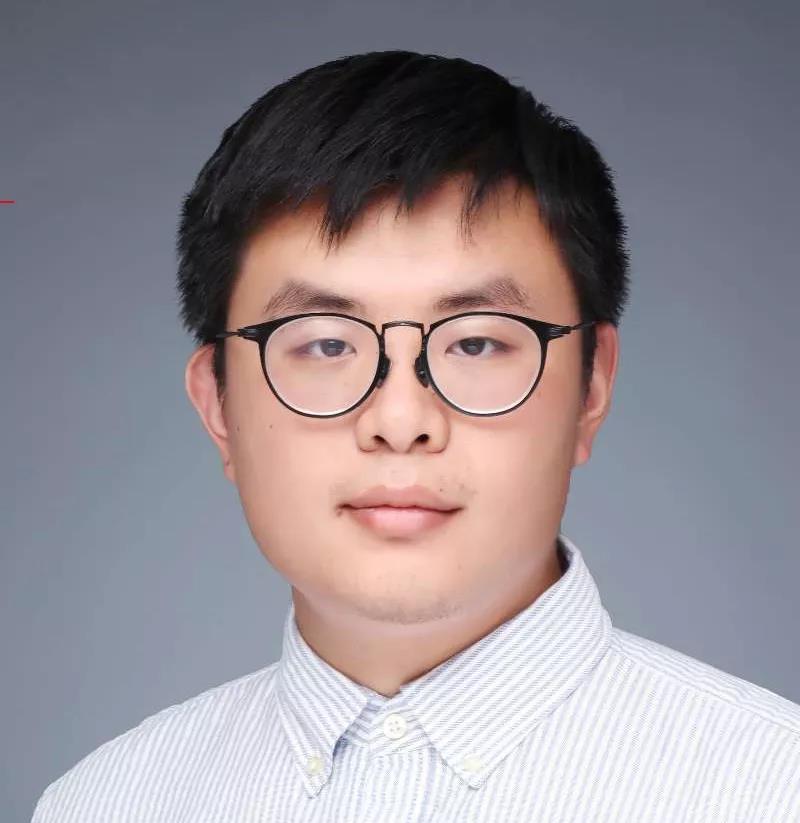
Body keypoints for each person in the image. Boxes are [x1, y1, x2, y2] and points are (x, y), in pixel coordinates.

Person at [32, 50, 800, 822]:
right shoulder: (102, 803)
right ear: (218, 405)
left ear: (591, 387)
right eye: (325, 343)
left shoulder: (772, 785)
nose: (400, 421)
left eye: (476, 342)